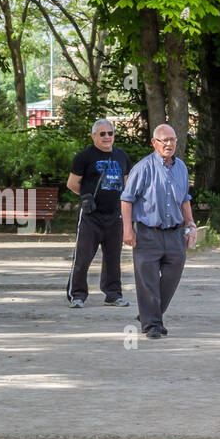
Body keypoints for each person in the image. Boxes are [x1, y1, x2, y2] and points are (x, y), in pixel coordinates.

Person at [120, 124, 199, 340]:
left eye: (172, 139)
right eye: (164, 140)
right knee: (148, 280)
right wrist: (127, 230)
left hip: (174, 233)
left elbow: (184, 199)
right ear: (154, 143)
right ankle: (152, 325)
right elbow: (127, 199)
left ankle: (149, 314)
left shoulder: (181, 167)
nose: (169, 144)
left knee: (171, 277)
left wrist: (190, 224)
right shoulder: (143, 168)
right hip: (147, 233)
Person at [66, 119, 132, 309]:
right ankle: (77, 294)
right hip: (91, 216)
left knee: (113, 258)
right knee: (83, 257)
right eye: (102, 134)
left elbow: (127, 185)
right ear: (94, 136)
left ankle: (113, 294)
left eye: (110, 133)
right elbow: (72, 184)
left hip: (115, 216)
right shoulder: (84, 156)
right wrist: (86, 196)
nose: (106, 137)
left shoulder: (121, 156)